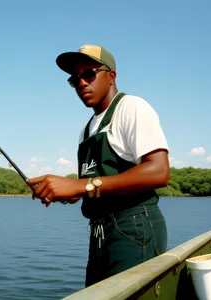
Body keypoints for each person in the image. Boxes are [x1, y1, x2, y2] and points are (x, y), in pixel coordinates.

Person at [27, 44, 169, 287]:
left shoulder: (131, 107)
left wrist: (82, 186)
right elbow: (95, 184)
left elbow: (158, 171)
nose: (82, 83)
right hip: (99, 234)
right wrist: (69, 191)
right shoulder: (86, 130)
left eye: (89, 74)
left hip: (133, 226)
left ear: (111, 76)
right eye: (75, 79)